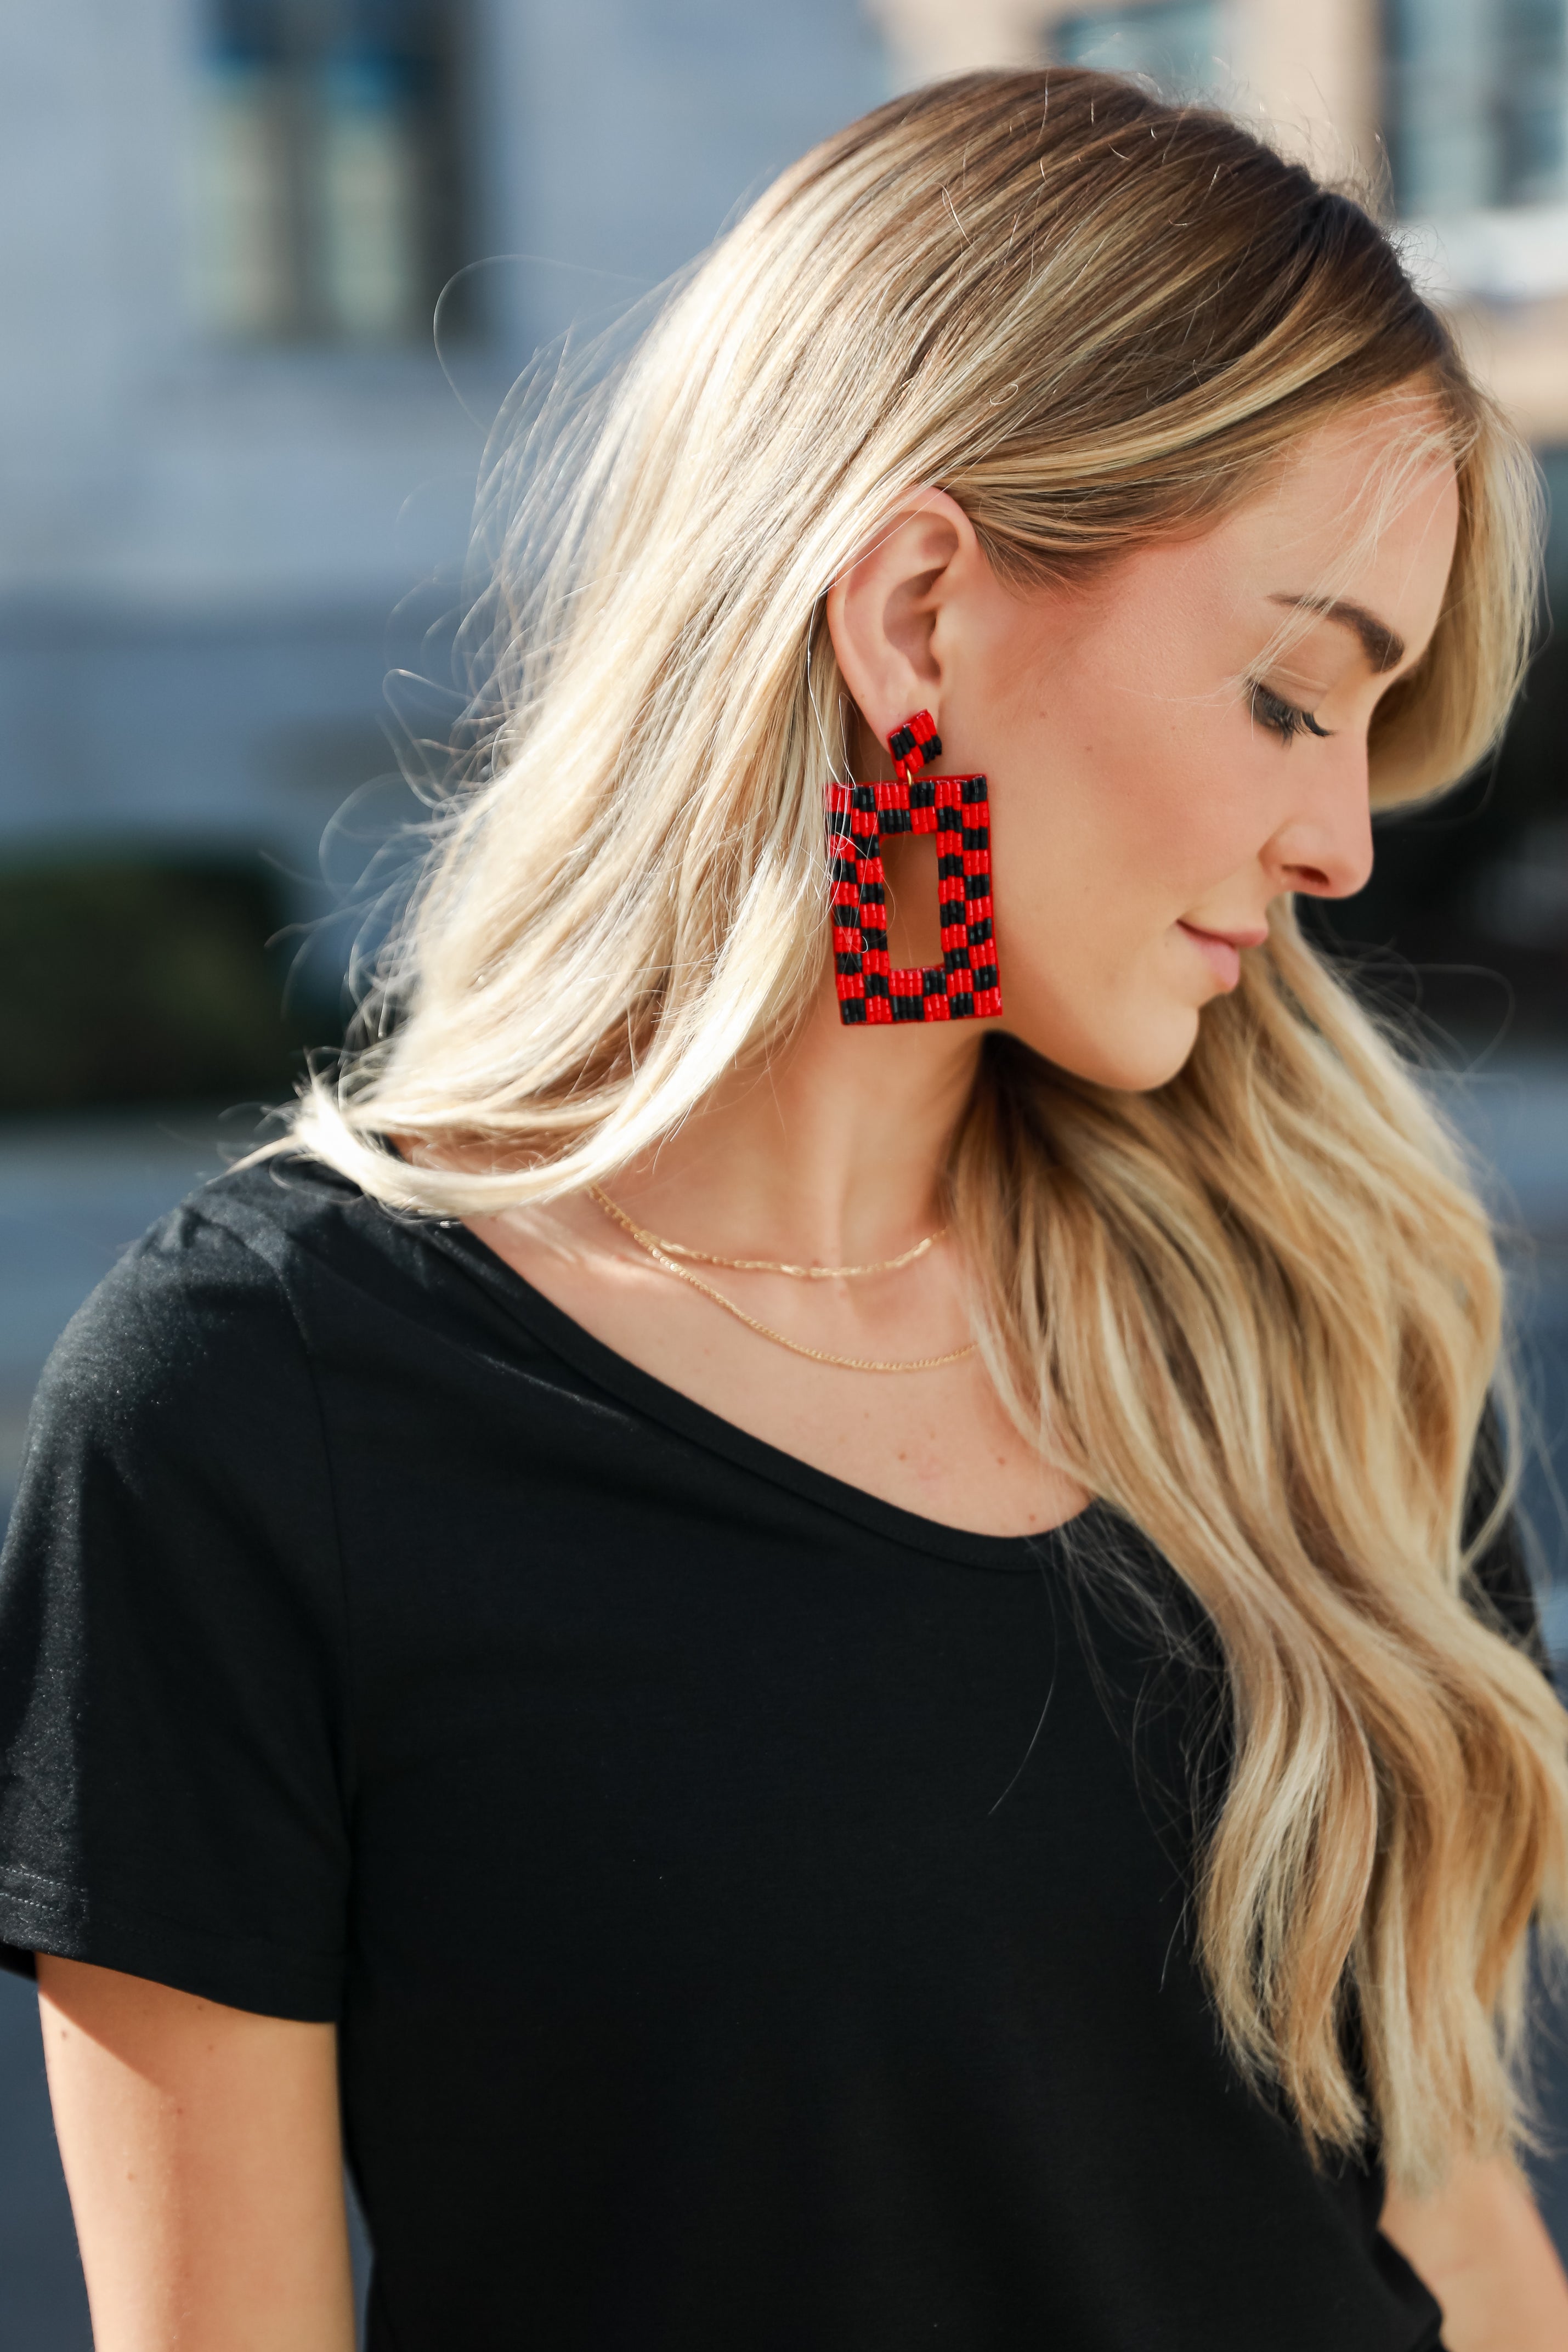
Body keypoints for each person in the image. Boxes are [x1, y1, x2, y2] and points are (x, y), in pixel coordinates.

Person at [3, 66, 1567, 2352]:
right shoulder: (266, 1411)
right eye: (1283, 690)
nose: (1341, 839)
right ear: (921, 615)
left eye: (1374, 723)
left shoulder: (1322, 1333)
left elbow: (1455, 2237)